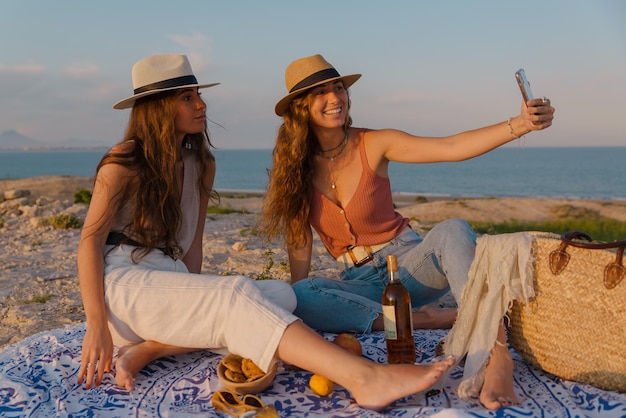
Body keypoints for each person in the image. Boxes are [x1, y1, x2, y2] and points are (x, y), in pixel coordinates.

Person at [75, 53, 455, 412]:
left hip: (166, 283)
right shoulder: (122, 160)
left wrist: (192, 295)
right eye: (187, 97)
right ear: (158, 107)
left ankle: (152, 349)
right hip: (125, 286)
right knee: (235, 294)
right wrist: (95, 325)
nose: (201, 104)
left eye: (198, 94)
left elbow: (192, 247)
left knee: (282, 296)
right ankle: (364, 378)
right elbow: (90, 242)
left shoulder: (200, 163)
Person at [260, 54, 555, 409]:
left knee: (452, 230)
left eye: (338, 87)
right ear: (300, 107)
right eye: (320, 93)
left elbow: (451, 147)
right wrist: (300, 300)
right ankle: (428, 319)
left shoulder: (375, 142)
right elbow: (298, 236)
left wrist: (520, 124)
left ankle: (496, 356)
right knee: (301, 294)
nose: (335, 98)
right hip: (360, 281)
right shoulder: (293, 163)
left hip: (410, 268)